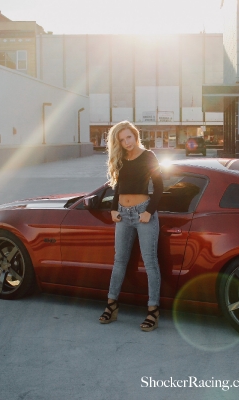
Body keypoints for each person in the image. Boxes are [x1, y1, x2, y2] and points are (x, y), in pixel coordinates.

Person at [99, 120, 163, 332]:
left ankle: (153, 310)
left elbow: (160, 187)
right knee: (119, 261)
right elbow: (119, 186)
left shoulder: (148, 156)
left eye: (129, 137)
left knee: (150, 262)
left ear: (135, 135)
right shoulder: (121, 158)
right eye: (122, 139)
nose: (126, 142)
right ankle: (111, 305)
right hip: (123, 216)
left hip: (143, 212)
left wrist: (148, 212)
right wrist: (114, 208)